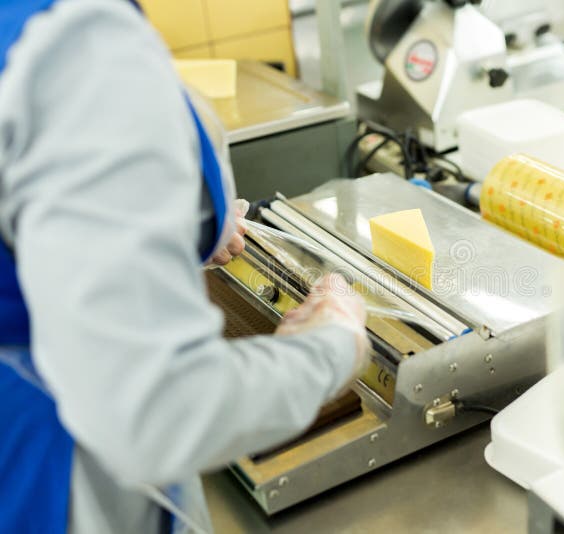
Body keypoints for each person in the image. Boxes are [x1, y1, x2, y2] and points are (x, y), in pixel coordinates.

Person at [0, 1, 369, 532]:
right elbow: (159, 414)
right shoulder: (81, 52)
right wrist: (332, 346)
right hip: (49, 481)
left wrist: (169, 225)